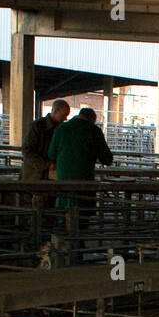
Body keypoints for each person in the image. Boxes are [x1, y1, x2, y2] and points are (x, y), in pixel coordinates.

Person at [47, 106, 113, 240]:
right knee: (82, 225)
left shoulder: (61, 129)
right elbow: (107, 159)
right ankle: (79, 251)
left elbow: (51, 154)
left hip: (63, 188)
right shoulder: (94, 131)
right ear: (92, 120)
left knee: (63, 225)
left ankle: (63, 251)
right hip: (85, 188)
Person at [20, 99, 70, 181]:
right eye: (64, 115)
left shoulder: (60, 129)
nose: (65, 119)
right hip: (34, 175)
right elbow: (26, 150)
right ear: (56, 111)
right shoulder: (36, 126)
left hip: (47, 174)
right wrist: (46, 164)